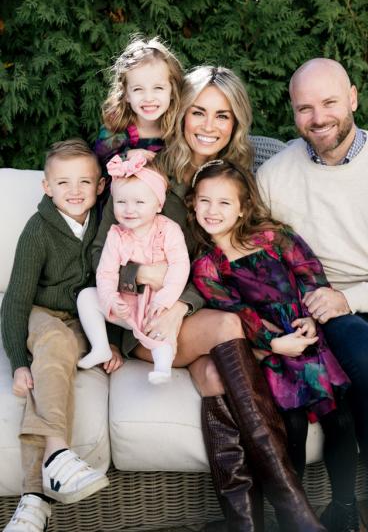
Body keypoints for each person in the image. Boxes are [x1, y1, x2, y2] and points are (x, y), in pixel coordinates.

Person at [93, 65, 326, 532]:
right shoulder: (148, 171)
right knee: (226, 327)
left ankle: (245, 522)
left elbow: (247, 261)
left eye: (223, 116)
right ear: (181, 114)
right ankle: (296, 512)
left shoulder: (236, 181)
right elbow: (103, 255)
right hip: (148, 322)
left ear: (237, 123)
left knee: (219, 373)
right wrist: (149, 278)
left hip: (192, 318)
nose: (208, 125)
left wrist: (189, 304)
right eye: (198, 112)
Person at [256, 57, 368, 529]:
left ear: (354, 98)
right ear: (293, 112)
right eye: (305, 108)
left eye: (330, 103)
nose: (318, 118)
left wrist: (352, 298)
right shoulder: (275, 176)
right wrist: (322, 305)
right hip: (326, 305)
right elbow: (267, 261)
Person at [187, 159, 359, 532]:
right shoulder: (207, 265)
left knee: (341, 418)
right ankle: (294, 517)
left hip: (308, 335)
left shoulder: (274, 236)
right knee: (290, 427)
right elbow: (234, 312)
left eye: (224, 203)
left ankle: (345, 506)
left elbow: (311, 273)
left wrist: (313, 315)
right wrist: (273, 343)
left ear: (243, 207)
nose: (213, 211)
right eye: (204, 201)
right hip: (270, 349)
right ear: (193, 204)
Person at [1, 139, 111, 532]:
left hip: (84, 321)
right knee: (53, 344)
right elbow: (15, 300)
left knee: (52, 371)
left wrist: (111, 341)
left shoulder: (106, 221)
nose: (76, 190)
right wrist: (17, 362)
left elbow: (113, 285)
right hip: (40, 313)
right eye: (64, 182)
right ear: (47, 187)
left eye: (85, 181)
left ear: (100, 186)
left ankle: (34, 501)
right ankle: (59, 454)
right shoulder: (38, 230)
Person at [77, 152, 190, 381]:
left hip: (155, 305)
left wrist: (165, 300)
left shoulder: (168, 230)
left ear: (158, 205)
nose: (129, 210)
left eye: (139, 202)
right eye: (121, 202)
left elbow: (180, 267)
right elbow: (106, 271)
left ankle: (162, 368)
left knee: (163, 333)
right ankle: (100, 347)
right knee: (87, 297)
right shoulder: (115, 234)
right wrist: (109, 299)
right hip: (124, 306)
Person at [94, 35, 183, 207]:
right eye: (138, 89)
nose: (148, 98)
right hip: (120, 207)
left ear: (172, 90)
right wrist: (126, 156)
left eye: (158, 88)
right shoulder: (116, 128)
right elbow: (98, 165)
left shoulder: (177, 129)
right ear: (126, 94)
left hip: (162, 206)